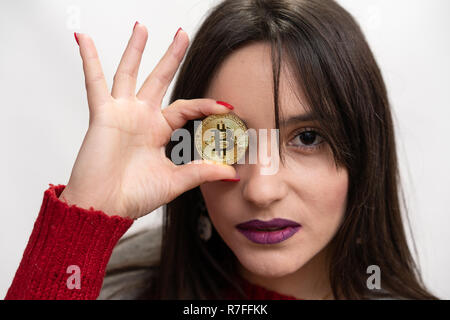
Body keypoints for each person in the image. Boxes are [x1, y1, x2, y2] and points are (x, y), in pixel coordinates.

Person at [5, 0, 438, 300]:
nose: (261, 190)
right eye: (227, 139)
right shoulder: (107, 283)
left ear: (365, 153)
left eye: (307, 138)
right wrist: (85, 215)